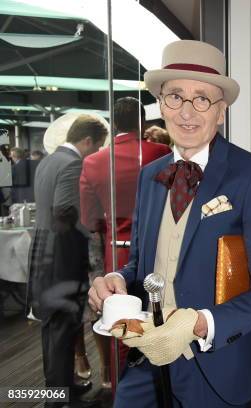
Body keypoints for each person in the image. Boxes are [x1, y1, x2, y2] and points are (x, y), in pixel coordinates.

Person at [88, 39, 251, 407]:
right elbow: (142, 264)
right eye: (176, 97)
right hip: (146, 359)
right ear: (161, 103)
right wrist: (118, 278)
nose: (187, 112)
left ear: (221, 111)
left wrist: (199, 324)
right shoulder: (150, 176)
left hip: (213, 366)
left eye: (202, 99)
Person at [79, 96, 171, 389]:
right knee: (163, 324)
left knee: (120, 334)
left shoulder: (94, 161)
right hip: (160, 250)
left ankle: (122, 392)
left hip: (116, 254)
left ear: (114, 124)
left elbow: (89, 219)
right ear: (142, 122)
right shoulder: (161, 151)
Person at [29, 114, 108, 407]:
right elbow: (65, 212)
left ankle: (60, 389)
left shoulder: (48, 161)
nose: (98, 152)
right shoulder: (74, 164)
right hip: (63, 257)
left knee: (54, 329)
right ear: (86, 141)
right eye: (98, 146)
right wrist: (91, 226)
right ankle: (60, 401)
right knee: (62, 329)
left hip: (44, 254)